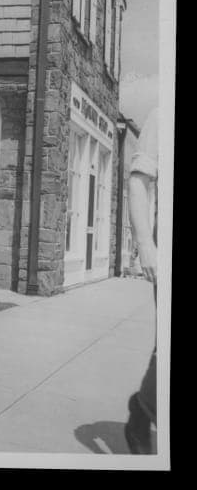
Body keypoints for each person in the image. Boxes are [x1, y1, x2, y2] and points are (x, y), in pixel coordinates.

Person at [124, 106, 158, 455]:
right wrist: (146, 243)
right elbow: (138, 181)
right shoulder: (162, 114)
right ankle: (143, 409)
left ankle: (143, 408)